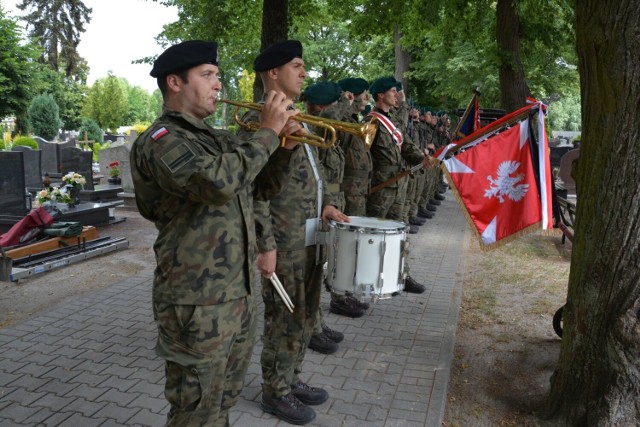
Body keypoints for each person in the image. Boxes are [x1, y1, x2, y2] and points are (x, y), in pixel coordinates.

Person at [130, 40, 301, 427]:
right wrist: (268, 133)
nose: (218, 85)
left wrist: (284, 147)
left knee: (222, 403)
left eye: (218, 76)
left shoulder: (215, 137)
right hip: (195, 301)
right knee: (196, 411)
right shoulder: (161, 140)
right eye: (207, 76)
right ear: (174, 82)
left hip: (234, 293)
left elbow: (259, 189)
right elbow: (216, 184)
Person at [239, 40, 349, 426]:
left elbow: (313, 177)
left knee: (304, 315)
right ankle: (275, 391)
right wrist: (264, 245)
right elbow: (253, 190)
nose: (304, 73)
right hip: (283, 242)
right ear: (273, 73)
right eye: (297, 66)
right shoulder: (258, 123)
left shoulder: (296, 115)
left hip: (310, 234)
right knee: (284, 318)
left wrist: (327, 207)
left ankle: (291, 377)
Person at [366, 76, 428, 294]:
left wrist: (423, 159)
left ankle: (402, 274)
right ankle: (370, 277)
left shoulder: (393, 121)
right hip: (380, 188)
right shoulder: (371, 122)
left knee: (400, 232)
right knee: (374, 236)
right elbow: (363, 158)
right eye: (393, 91)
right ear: (381, 95)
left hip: (398, 186)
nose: (396, 95)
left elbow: (406, 148)